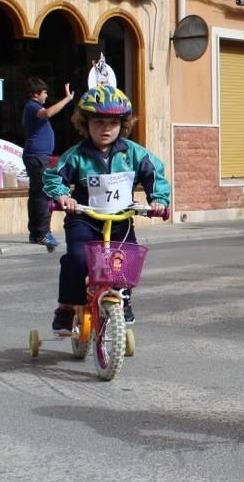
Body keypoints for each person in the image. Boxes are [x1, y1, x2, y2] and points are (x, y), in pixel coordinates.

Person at [43, 85, 170, 331]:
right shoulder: (76, 155)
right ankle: (67, 306)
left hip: (120, 219)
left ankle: (122, 299)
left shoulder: (133, 153)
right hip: (84, 219)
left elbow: (155, 173)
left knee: (126, 258)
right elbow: (53, 176)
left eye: (112, 123)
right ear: (85, 123)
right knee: (78, 258)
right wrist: (61, 196)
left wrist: (159, 200)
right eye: (98, 122)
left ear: (122, 125)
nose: (105, 128)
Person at [22, 77, 74, 250]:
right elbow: (48, 113)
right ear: (36, 94)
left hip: (38, 156)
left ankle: (35, 233)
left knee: (37, 193)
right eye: (44, 92)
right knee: (44, 193)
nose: (46, 95)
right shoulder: (32, 106)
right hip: (37, 157)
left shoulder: (33, 106)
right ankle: (43, 233)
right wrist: (67, 99)